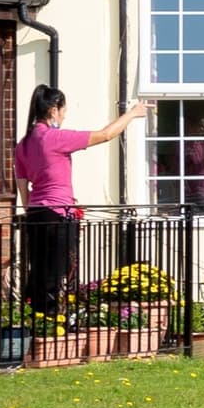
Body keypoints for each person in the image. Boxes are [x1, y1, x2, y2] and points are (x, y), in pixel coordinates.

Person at [13, 83, 147, 316]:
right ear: (53, 110)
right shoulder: (54, 138)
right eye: (63, 112)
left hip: (36, 215)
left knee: (39, 271)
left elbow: (23, 186)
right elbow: (106, 135)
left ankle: (33, 319)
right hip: (58, 214)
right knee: (60, 271)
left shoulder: (23, 145)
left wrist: (30, 210)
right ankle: (52, 323)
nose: (63, 117)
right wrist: (132, 114)